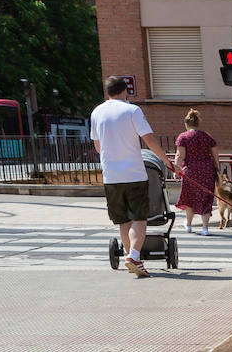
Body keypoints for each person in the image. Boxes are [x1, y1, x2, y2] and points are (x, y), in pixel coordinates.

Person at [90, 75, 172, 277]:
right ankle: (133, 256)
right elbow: (149, 140)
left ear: (107, 92)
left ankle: (132, 257)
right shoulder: (132, 110)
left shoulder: (96, 112)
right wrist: (168, 161)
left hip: (111, 175)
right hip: (134, 173)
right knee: (139, 217)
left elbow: (98, 147)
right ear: (124, 91)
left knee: (123, 221)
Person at [173, 109, 219, 236]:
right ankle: (205, 228)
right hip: (207, 171)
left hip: (190, 171)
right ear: (198, 123)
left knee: (189, 198)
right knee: (206, 198)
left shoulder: (183, 137)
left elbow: (180, 155)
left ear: (186, 124)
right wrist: (217, 168)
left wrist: (176, 169)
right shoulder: (207, 136)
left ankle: (188, 225)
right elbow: (215, 153)